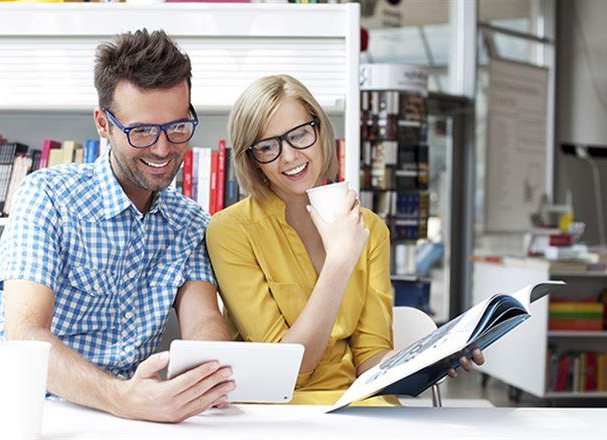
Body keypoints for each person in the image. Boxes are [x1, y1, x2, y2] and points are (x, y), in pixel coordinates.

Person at [0, 29, 235, 423]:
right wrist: (121, 397)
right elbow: (25, 335)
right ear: (103, 123)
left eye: (177, 127)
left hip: (127, 417)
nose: (163, 148)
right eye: (141, 131)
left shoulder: (190, 221)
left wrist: (207, 377)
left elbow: (204, 321)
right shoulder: (47, 197)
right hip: (28, 414)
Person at [206, 74, 484, 406]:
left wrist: (433, 357)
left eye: (299, 135)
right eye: (268, 146)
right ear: (252, 159)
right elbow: (286, 369)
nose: (289, 156)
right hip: (280, 409)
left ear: (320, 131)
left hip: (358, 403)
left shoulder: (370, 228)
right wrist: (339, 261)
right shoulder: (230, 230)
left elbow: (370, 358)